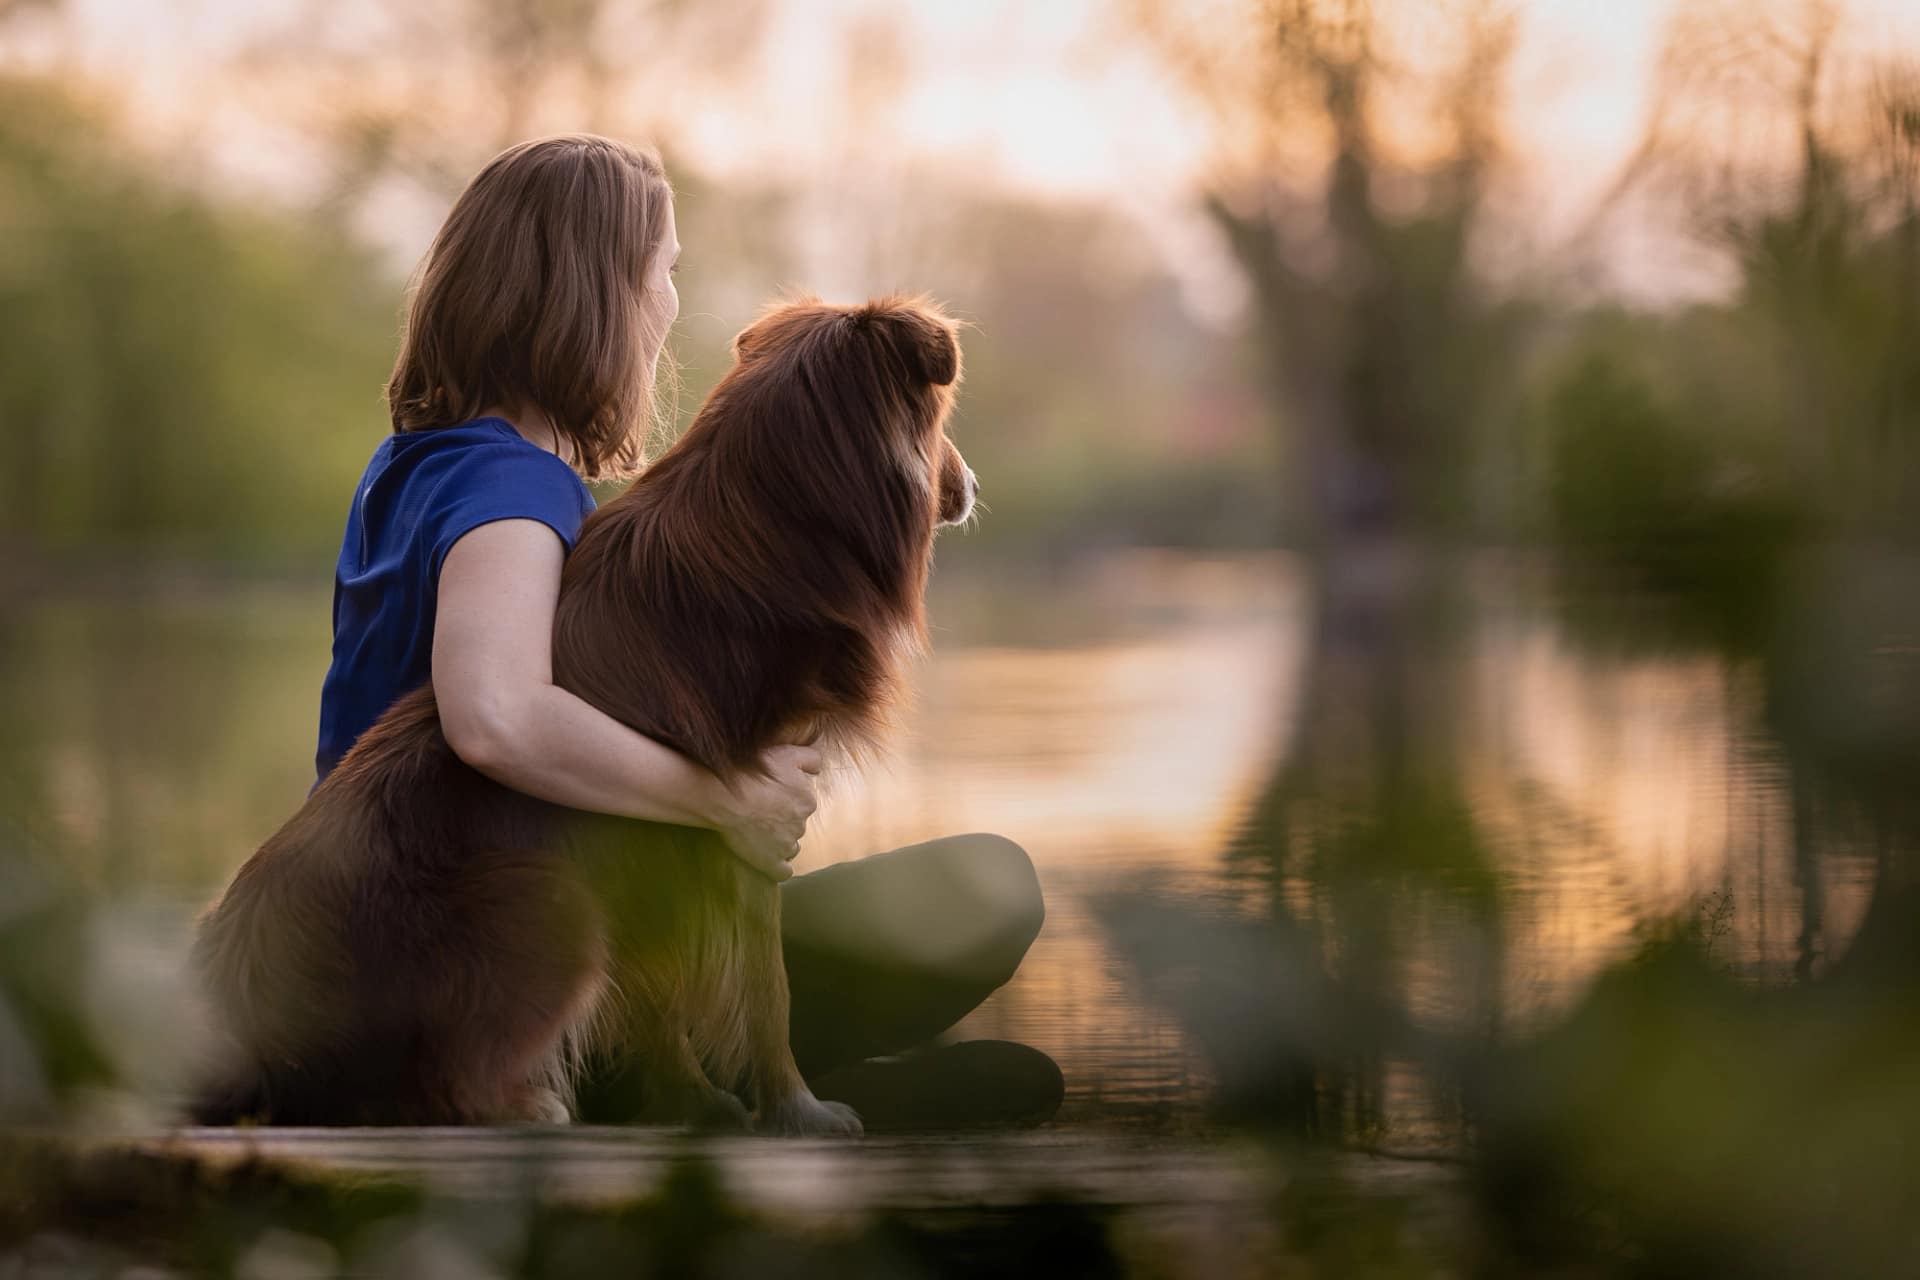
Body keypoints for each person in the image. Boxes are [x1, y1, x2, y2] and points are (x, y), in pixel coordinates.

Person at [316, 134, 1060, 1128]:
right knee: (983, 906)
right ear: (602, 296)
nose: (670, 307)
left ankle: (741, 1111)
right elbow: (491, 716)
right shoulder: (511, 490)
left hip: (444, 945)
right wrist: (728, 795)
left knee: (989, 1049)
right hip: (495, 972)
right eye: (663, 273)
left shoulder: (420, 463)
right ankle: (710, 1111)